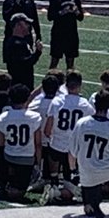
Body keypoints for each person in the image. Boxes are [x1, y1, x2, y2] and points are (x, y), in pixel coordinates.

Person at [70, 90, 109, 218]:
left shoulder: (81, 123)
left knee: (89, 200)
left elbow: (72, 152)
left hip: (86, 171)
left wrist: (74, 171)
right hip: (107, 170)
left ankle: (90, 203)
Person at [42, 70, 93, 201]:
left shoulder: (57, 101)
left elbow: (48, 128)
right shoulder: (85, 104)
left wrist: (50, 136)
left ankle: (53, 183)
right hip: (75, 148)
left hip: (57, 143)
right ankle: (63, 189)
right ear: (80, 85)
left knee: (52, 153)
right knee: (71, 184)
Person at [0, 83, 43, 203]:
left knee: (13, 186)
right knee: (19, 193)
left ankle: (4, 184)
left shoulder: (3, 117)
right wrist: (38, 161)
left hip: (9, 155)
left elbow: (1, 143)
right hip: (26, 158)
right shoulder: (35, 117)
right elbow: (38, 143)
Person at [47, 0, 85, 69]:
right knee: (54, 60)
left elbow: (81, 18)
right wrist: (62, 12)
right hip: (58, 33)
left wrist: (76, 12)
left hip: (71, 34)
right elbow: (50, 17)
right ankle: (50, 80)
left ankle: (70, 81)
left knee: (70, 62)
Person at [3, 13, 42, 90]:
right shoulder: (15, 44)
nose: (28, 26)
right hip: (20, 84)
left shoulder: (22, 41)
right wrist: (37, 52)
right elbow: (25, 63)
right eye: (26, 24)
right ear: (18, 25)